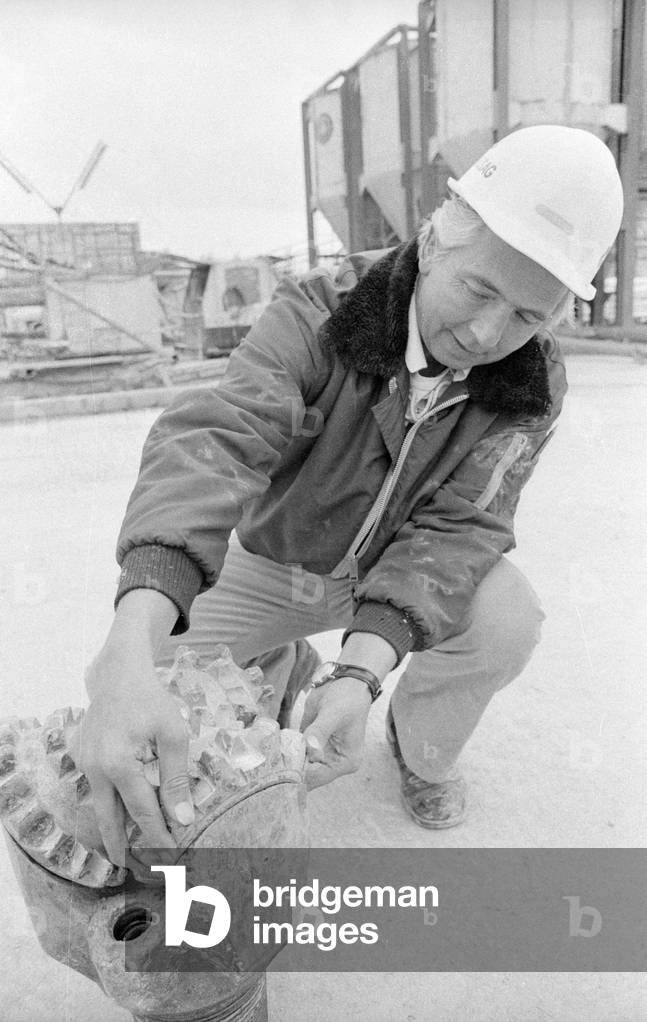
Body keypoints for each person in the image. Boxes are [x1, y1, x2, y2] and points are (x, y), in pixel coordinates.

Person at [78, 125, 623, 864]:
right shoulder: (323, 309)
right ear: (435, 242)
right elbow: (220, 438)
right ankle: (278, 662)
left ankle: (421, 748)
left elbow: (460, 528)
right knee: (150, 674)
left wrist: (361, 673)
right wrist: (128, 641)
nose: (486, 332)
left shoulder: (533, 381)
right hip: (279, 559)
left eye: (527, 315)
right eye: (479, 289)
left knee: (506, 619)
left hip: (398, 571)